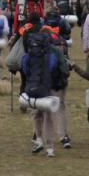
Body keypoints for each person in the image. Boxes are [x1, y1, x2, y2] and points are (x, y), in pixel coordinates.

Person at [25, 27, 69, 157]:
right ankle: (50, 148)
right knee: (48, 117)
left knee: (37, 113)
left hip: (34, 86)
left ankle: (38, 140)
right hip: (51, 87)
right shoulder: (55, 51)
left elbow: (25, 67)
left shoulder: (32, 51)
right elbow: (65, 70)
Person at [43, 6, 72, 149]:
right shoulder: (62, 42)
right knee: (60, 107)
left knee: (45, 109)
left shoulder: (41, 41)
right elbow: (65, 63)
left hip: (45, 79)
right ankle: (63, 136)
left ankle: (39, 135)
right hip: (60, 80)